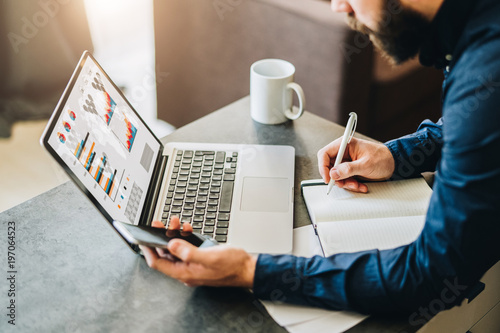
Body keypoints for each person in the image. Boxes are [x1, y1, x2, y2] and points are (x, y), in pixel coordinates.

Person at [140, 0, 500, 316]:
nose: (338, 6)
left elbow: (435, 272)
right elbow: (470, 126)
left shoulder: (485, 70)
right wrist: (394, 155)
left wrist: (251, 270)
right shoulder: (474, 29)